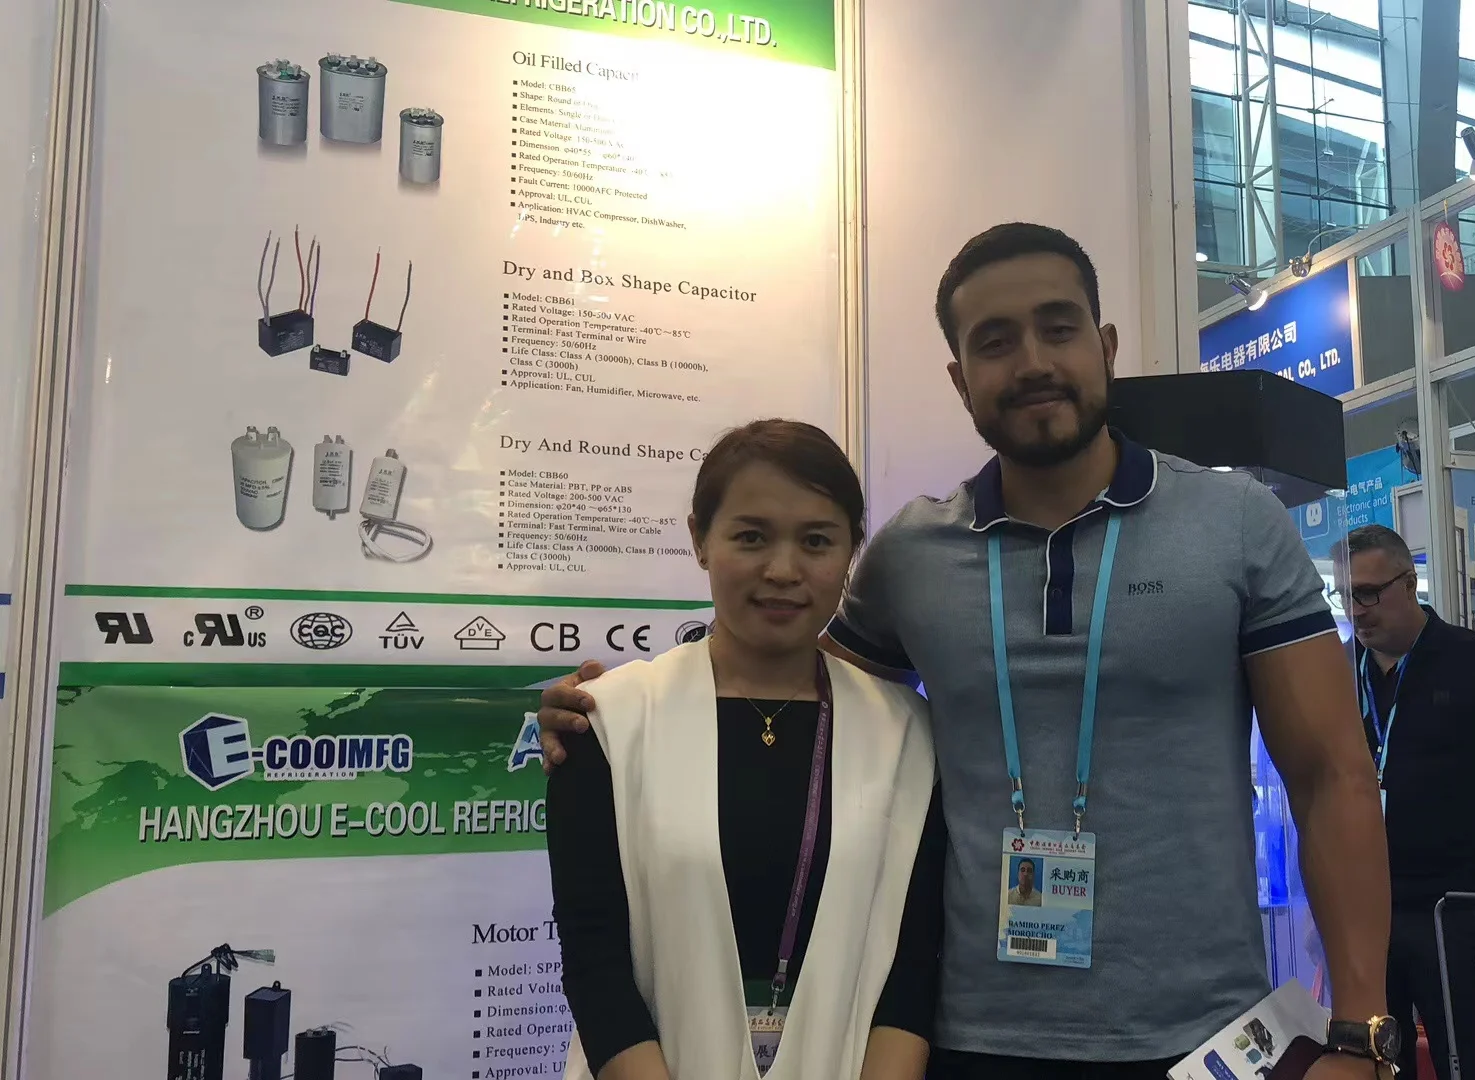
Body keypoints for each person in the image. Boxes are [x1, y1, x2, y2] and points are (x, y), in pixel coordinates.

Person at [539, 223, 1396, 1080]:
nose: (1032, 362)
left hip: (1199, 1036)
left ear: (1105, 347)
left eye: (1058, 328)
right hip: (962, 1038)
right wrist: (628, 717)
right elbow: (800, 695)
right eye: (995, 342)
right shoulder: (912, 555)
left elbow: (1332, 776)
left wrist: (1360, 1029)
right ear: (960, 380)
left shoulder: (1235, 526)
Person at [546, 419, 946, 1080]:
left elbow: (914, 971)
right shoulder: (610, 722)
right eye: (751, 536)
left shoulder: (906, 733)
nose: (783, 570)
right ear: (700, 539)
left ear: (852, 550)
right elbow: (595, 963)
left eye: (816, 541)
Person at [1338, 525, 1475, 1080]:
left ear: (1409, 584)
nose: (1356, 611)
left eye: (1369, 594)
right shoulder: (1336, 670)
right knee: (1374, 1066)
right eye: (1346, 595)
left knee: (1472, 1062)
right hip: (1364, 913)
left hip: (1454, 909)